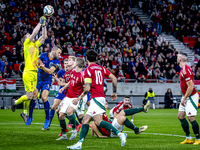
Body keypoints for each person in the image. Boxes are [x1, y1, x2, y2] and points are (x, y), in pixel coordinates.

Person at [67, 49, 127, 149]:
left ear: (86, 59)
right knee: (85, 120)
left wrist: (79, 98)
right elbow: (114, 78)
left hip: (96, 98)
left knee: (98, 121)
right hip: (100, 97)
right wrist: (114, 92)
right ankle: (79, 144)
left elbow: (87, 88)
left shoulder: (87, 70)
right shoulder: (102, 68)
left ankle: (120, 134)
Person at [11, 16, 47, 123]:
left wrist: (44, 25)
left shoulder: (35, 45)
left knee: (33, 95)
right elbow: (35, 33)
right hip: (28, 72)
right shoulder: (26, 44)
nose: (30, 36)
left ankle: (25, 112)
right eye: (27, 35)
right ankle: (16, 102)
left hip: (35, 73)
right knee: (30, 95)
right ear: (25, 39)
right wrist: (40, 23)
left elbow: (44, 36)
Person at [26, 45, 62, 130]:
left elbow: (50, 71)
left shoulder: (57, 61)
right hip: (38, 79)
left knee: (44, 97)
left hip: (47, 80)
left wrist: (43, 67)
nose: (59, 54)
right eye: (58, 52)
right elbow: (35, 62)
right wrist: (38, 65)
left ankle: (47, 119)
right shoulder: (43, 55)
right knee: (34, 96)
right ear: (53, 50)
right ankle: (30, 117)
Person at [57, 57, 85, 141]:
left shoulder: (82, 76)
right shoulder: (72, 72)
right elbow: (70, 82)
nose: (69, 62)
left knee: (70, 112)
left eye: (72, 61)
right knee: (61, 115)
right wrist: (64, 88)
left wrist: (79, 99)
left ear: (76, 64)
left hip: (76, 98)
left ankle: (74, 131)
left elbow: (86, 90)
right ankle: (64, 135)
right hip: (68, 96)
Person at [177, 53, 200, 145]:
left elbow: (191, 87)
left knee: (191, 118)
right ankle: (188, 138)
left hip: (191, 96)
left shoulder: (185, 70)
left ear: (180, 60)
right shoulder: (184, 68)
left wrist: (184, 98)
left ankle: (198, 138)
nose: (176, 58)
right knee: (180, 116)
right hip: (186, 95)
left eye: (177, 57)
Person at [49, 56, 76, 133]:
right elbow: (60, 83)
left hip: (72, 94)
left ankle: (76, 126)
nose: (66, 64)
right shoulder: (64, 72)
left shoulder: (73, 72)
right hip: (65, 93)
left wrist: (62, 85)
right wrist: (56, 79)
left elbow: (71, 83)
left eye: (68, 62)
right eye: (65, 63)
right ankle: (64, 130)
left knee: (74, 112)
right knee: (58, 111)